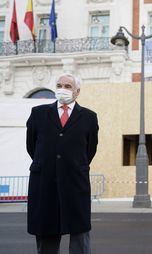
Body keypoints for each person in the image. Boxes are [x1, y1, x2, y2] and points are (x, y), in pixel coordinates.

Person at [26, 73, 99, 254]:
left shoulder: (89, 117)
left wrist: (72, 164)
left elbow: (89, 150)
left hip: (75, 182)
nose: (62, 89)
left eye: (68, 86)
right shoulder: (39, 114)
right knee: (46, 232)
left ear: (77, 91)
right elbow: (32, 147)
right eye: (59, 85)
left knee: (79, 234)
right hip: (45, 182)